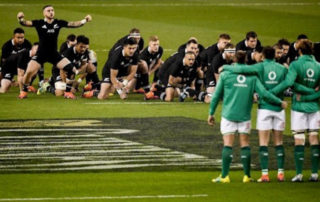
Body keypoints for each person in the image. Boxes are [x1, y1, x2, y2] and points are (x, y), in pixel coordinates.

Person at [208, 50, 287, 183]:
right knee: (245, 145)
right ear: (246, 60)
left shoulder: (226, 74)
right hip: (245, 115)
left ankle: (224, 176)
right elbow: (264, 94)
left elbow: (216, 95)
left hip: (229, 114)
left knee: (228, 145)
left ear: (234, 60)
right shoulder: (252, 77)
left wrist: (211, 113)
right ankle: (247, 176)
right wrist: (279, 102)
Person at [269, 39, 320, 182]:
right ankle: (315, 173)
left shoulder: (296, 64)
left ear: (299, 51)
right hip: (314, 107)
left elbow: (289, 83)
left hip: (299, 107)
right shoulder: (319, 66)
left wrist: (271, 92)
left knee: (299, 138)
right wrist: (313, 93)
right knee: (314, 138)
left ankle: (299, 174)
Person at [16, 5, 92, 99]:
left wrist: (85, 20)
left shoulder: (58, 23)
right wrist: (20, 19)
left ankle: (67, 92)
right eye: (48, 10)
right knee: (29, 72)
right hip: (41, 54)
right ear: (44, 13)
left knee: (70, 68)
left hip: (53, 54)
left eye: (52, 10)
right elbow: (25, 23)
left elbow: (73, 24)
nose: (51, 12)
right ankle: (24, 90)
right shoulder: (39, 23)